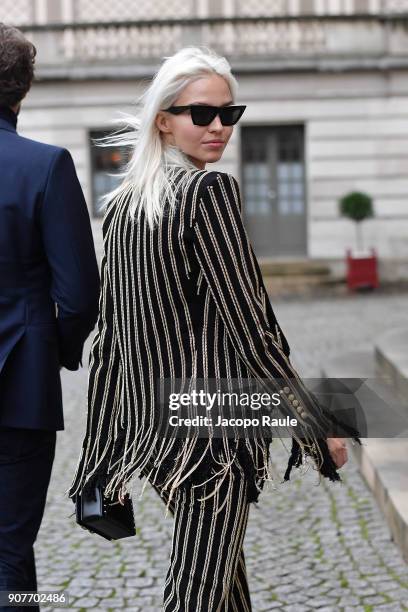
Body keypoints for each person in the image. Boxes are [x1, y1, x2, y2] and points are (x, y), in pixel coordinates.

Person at [67, 46, 358, 611]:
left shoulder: (127, 206)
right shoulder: (208, 193)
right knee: (198, 595)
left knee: (223, 584)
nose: (219, 127)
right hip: (212, 440)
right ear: (164, 120)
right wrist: (315, 426)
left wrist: (104, 449)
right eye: (202, 114)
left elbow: (112, 345)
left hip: (158, 436)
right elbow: (254, 333)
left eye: (230, 113)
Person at [0, 23, 100, 611]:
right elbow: (81, 293)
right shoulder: (45, 166)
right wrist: (58, 349)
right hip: (19, 386)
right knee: (10, 550)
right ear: (23, 89)